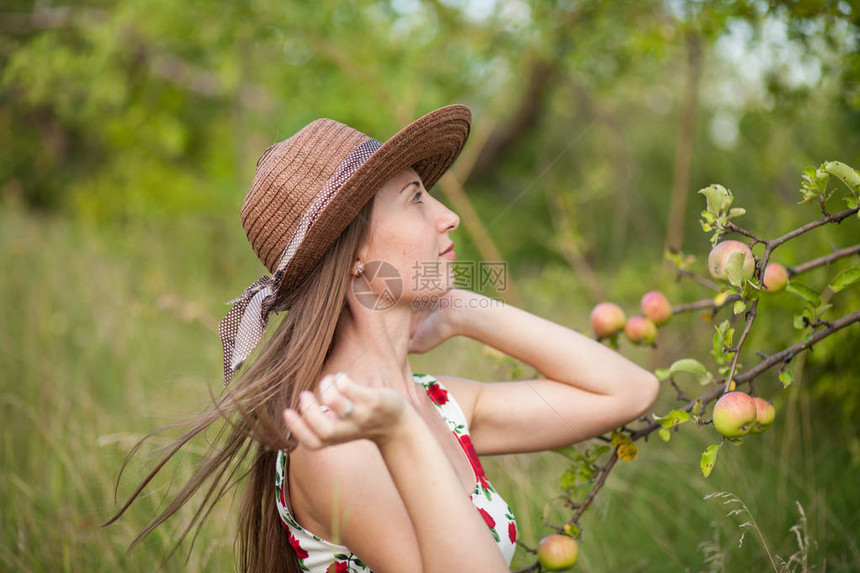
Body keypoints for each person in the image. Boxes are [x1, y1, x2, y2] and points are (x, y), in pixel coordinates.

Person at [109, 104, 659, 573]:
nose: (449, 218)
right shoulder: (333, 438)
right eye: (417, 197)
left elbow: (628, 392)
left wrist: (465, 308)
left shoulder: (438, 404)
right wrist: (400, 432)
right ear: (357, 255)